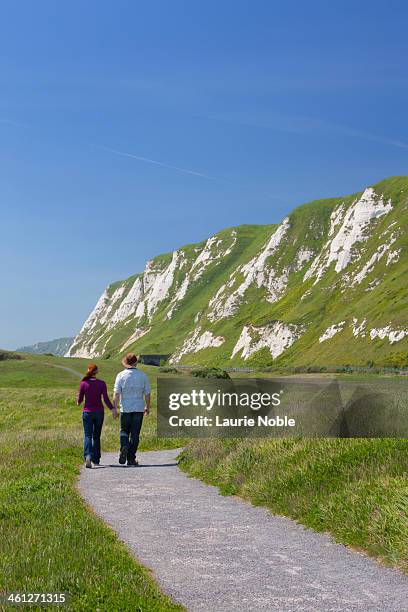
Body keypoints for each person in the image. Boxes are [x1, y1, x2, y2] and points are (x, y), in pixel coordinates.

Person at [113, 353, 151, 466]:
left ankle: (124, 446)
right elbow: (147, 394)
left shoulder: (120, 375)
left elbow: (116, 393)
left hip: (126, 407)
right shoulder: (143, 376)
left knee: (124, 431)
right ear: (136, 362)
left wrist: (114, 408)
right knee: (135, 434)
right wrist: (147, 407)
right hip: (138, 407)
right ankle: (131, 458)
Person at [77, 363, 117, 468]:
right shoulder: (102, 383)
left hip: (87, 412)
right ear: (97, 371)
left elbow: (80, 399)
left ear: (88, 371)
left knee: (88, 435)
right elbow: (106, 399)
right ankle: (96, 459)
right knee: (96, 436)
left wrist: (78, 402)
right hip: (99, 412)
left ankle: (88, 456)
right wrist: (112, 409)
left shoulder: (83, 383)